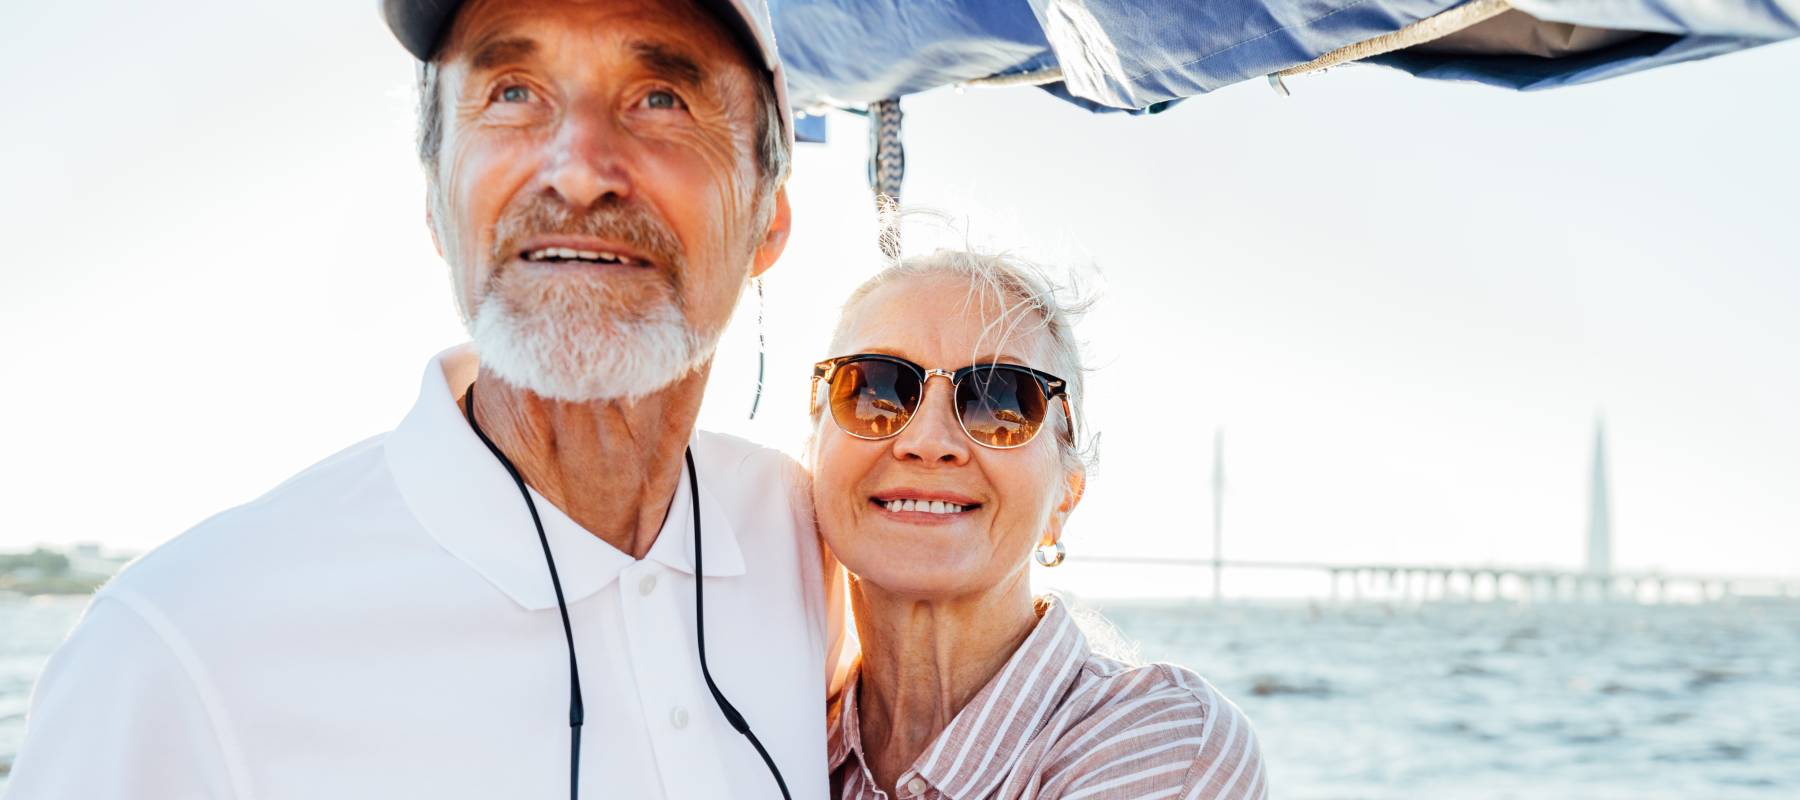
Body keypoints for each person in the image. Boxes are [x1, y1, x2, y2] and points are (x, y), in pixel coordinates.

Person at [4, 1, 843, 797]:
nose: (581, 170)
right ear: (438, 202)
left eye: (661, 97)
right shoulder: (171, 652)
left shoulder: (813, 540)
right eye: (512, 93)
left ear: (769, 216)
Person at [808, 249, 1269, 799]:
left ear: (1063, 499)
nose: (927, 442)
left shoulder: (1162, 742)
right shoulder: (762, 731)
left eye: (999, 401)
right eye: (874, 392)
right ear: (813, 453)